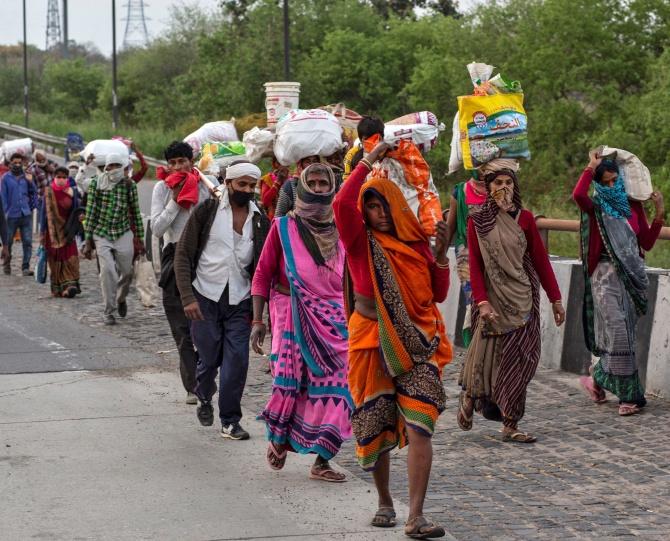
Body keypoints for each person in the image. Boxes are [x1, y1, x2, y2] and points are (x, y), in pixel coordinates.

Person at [334, 141, 452, 539]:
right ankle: (385, 500)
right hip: (370, 342)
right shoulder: (358, 242)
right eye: (371, 207)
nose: (379, 213)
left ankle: (415, 515)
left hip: (418, 342)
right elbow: (340, 204)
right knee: (376, 424)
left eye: (385, 205)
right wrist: (369, 160)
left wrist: (440, 256)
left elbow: (437, 294)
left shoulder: (417, 244)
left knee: (422, 424)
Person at [251, 163, 352, 482]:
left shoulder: (343, 228)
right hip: (288, 311)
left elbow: (351, 276)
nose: (321, 188)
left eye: (326, 183)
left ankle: (322, 460)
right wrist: (258, 320)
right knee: (289, 382)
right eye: (315, 183)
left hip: (334, 317)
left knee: (340, 387)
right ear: (304, 188)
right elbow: (262, 273)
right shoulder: (282, 227)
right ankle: (279, 437)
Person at [457, 159, 565, 443]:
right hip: (492, 298)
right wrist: (481, 302)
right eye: (497, 183)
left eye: (508, 183)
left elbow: (540, 261)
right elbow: (476, 265)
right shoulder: (477, 219)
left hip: (523, 297)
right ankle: (475, 400)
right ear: (488, 187)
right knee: (488, 357)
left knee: (524, 358)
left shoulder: (526, 219)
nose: (504, 188)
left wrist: (555, 298)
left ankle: (509, 420)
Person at [174, 160, 270, 440]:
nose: (247, 190)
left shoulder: (259, 218)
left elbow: (262, 267)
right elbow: (183, 255)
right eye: (242, 184)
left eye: (252, 185)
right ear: (228, 184)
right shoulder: (207, 212)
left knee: (237, 361)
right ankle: (204, 394)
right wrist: (188, 298)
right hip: (204, 297)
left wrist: (260, 312)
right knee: (209, 357)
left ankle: (230, 420)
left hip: (240, 299)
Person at [574, 151, 665, 416]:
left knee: (624, 333)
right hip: (604, 275)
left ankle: (597, 376)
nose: (612, 186)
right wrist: (590, 167)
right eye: (606, 182)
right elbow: (578, 195)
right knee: (618, 331)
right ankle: (630, 396)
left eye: (615, 180)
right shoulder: (596, 206)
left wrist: (659, 211)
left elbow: (645, 242)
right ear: (598, 184)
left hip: (631, 276)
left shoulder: (632, 207)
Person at [151, 141, 216, 405]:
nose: (178, 167)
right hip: (174, 256)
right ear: (168, 166)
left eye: (183, 162)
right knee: (182, 329)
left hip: (205, 257)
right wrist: (177, 201)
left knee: (207, 325)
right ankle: (193, 386)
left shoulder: (207, 183)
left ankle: (206, 375)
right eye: (173, 163)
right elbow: (157, 228)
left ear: (192, 161)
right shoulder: (161, 188)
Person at [83, 153, 144, 326]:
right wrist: (88, 241)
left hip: (122, 231)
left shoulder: (129, 185)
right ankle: (108, 311)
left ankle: (121, 298)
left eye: (118, 165)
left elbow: (135, 212)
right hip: (101, 233)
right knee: (108, 271)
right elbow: (91, 212)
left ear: (123, 167)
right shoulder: (97, 183)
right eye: (111, 166)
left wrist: (140, 238)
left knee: (127, 272)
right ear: (106, 167)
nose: (114, 169)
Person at [444, 171, 487, 347]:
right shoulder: (460, 192)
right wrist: (438, 260)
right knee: (476, 303)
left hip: (494, 254)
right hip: (467, 257)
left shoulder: (501, 188)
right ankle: (475, 347)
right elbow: (450, 227)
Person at [40, 166, 82, 298]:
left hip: (68, 231)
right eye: (58, 177)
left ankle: (70, 286)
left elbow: (77, 209)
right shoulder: (49, 192)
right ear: (54, 178)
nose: (61, 180)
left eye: (64, 177)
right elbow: (43, 214)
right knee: (55, 259)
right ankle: (58, 288)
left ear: (68, 178)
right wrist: (42, 233)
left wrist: (81, 218)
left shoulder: (72, 192)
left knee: (70, 257)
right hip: (52, 233)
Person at [1, 152, 37, 276]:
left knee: (27, 241)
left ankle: (25, 267)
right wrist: (4, 213)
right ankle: (7, 265)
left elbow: (33, 192)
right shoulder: (5, 178)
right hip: (11, 215)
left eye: (19, 163)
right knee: (8, 241)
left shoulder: (26, 176)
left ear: (22, 163)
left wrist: (30, 181)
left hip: (26, 213)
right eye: (15, 162)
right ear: (10, 163)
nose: (17, 164)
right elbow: (3, 197)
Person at [343, 116, 385, 182]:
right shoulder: (355, 159)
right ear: (361, 140)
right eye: (367, 139)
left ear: (381, 138)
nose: (372, 142)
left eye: (375, 138)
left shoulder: (391, 158)